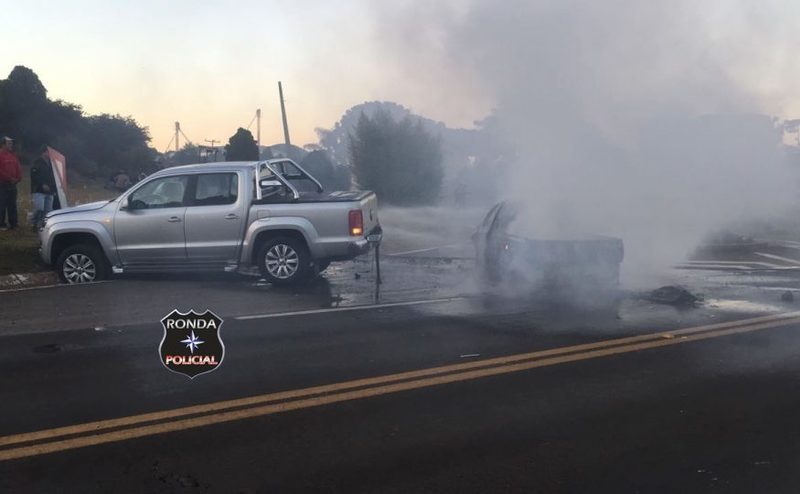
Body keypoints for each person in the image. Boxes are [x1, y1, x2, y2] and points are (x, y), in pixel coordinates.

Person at [30, 146, 57, 230]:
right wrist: (42, 184)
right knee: (39, 208)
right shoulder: (37, 162)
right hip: (39, 190)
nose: (49, 154)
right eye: (48, 152)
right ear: (43, 152)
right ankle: (33, 222)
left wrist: (54, 189)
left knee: (48, 211)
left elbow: (54, 176)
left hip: (50, 191)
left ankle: (41, 226)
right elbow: (34, 175)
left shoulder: (52, 163)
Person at [0, 136, 22, 230]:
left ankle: (13, 223)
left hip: (13, 184)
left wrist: (18, 178)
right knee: (2, 204)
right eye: (9, 143)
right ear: (3, 144)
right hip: (2, 184)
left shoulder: (13, 156)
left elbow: (18, 168)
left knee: (12, 204)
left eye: (11, 143)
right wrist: (9, 178)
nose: (11, 145)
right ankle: (1, 224)